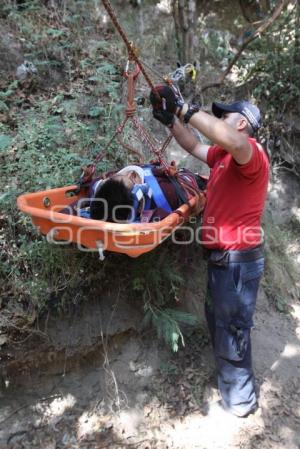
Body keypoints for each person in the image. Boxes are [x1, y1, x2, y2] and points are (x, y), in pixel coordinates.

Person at [150, 85, 269, 417]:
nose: (217, 121)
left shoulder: (251, 154)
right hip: (224, 261)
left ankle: (241, 402)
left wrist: (186, 108)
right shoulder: (224, 156)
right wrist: (170, 118)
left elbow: (233, 141)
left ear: (242, 123)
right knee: (220, 322)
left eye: (224, 117)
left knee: (231, 329)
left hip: (237, 264)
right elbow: (191, 143)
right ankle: (232, 386)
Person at [89, 163, 206, 223]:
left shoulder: (105, 198)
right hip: (189, 182)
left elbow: (96, 185)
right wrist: (161, 172)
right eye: (131, 179)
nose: (130, 173)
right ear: (139, 204)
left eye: (113, 177)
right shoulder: (165, 192)